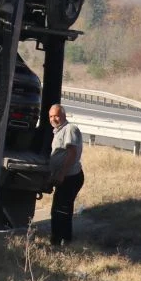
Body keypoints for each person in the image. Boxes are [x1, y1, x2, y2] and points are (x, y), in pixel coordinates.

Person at [47, 104, 85, 246]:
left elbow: (72, 152)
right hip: (64, 176)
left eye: (56, 115)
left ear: (63, 115)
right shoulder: (58, 131)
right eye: (51, 116)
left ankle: (61, 240)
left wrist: (62, 173)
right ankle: (60, 239)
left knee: (61, 209)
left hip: (71, 176)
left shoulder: (70, 129)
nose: (53, 119)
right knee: (61, 208)